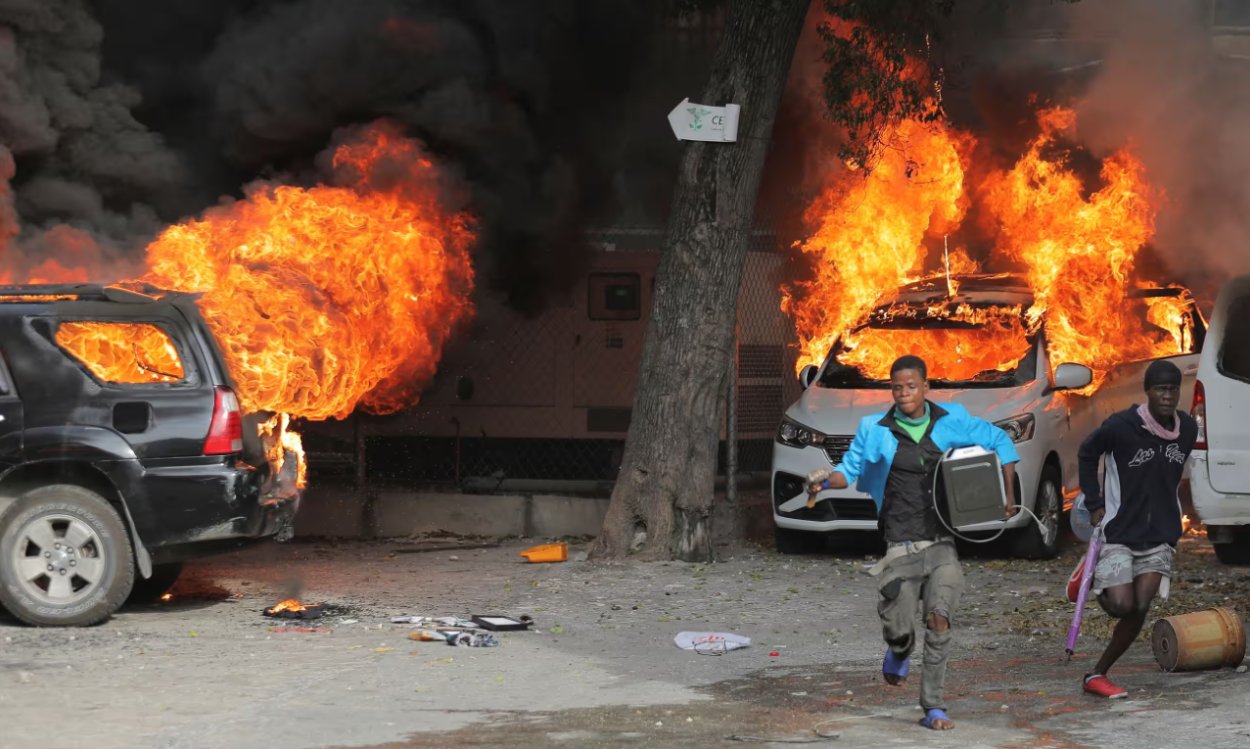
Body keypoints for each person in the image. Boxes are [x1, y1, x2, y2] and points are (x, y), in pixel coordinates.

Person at [806, 354, 1019, 731]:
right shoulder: (875, 428)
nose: (904, 393)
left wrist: (1008, 493)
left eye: (911, 386)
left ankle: (933, 706)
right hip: (899, 542)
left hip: (941, 542)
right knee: (901, 629)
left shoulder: (950, 419)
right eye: (897, 387)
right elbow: (848, 472)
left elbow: (1000, 440)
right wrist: (823, 481)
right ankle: (899, 649)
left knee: (939, 620)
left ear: (925, 387)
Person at [1077, 359, 1197, 699]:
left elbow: (1173, 480)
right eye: (1161, 389)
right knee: (1120, 605)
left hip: (1159, 537)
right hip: (1120, 534)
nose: (1168, 396)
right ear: (1148, 392)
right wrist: (1095, 501)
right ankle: (1094, 581)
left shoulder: (1186, 429)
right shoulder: (1122, 426)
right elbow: (1087, 452)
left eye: (1173, 389)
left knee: (1139, 607)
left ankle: (1096, 673)